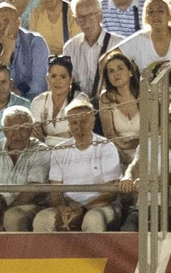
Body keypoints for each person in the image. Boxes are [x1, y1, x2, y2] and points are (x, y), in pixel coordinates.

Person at [42, 99, 121, 231]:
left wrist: (83, 208)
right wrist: (62, 208)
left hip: (100, 205)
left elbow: (111, 192)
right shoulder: (60, 149)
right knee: (43, 219)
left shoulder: (106, 147)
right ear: (68, 125)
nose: (79, 127)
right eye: (74, 123)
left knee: (93, 219)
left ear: (92, 122)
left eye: (84, 121)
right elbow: (55, 189)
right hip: (69, 204)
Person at [0, 105, 51, 231]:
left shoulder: (41, 150)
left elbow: (32, 190)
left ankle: (18, 251)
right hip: (0, 205)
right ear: (4, 130)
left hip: (31, 205)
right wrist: (2, 211)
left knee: (12, 216)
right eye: (11, 129)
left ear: (31, 129)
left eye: (23, 129)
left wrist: (5, 212)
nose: (16, 134)